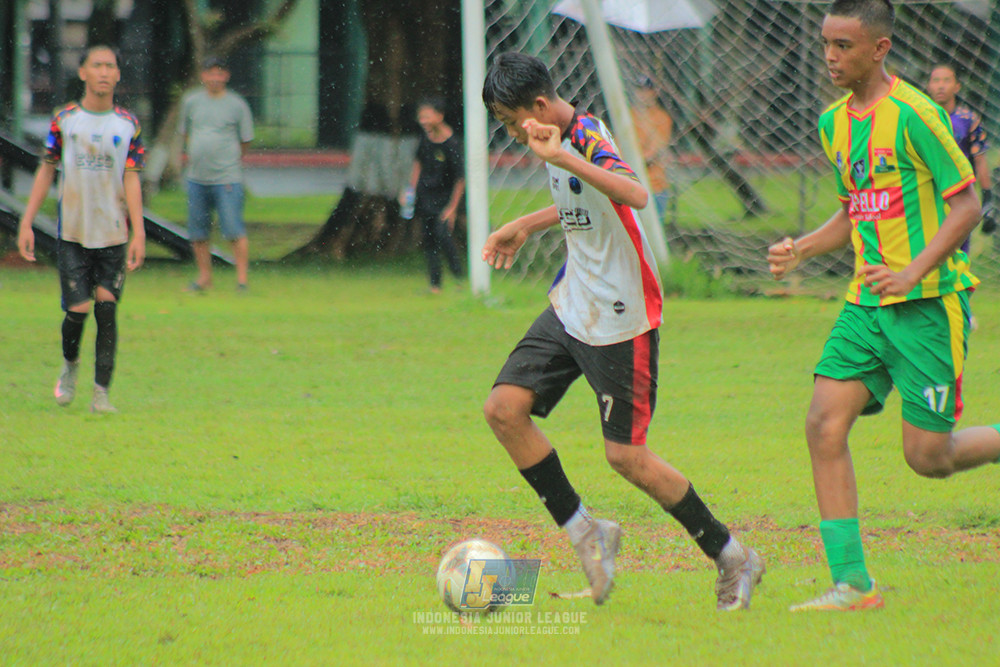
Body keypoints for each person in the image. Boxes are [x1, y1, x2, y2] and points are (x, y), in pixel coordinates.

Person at [481, 52, 764, 610]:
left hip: (620, 316)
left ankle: (732, 554)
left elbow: (632, 191)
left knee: (626, 457)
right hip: (572, 303)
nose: (513, 133)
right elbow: (580, 201)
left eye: (511, 121)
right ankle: (587, 532)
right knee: (502, 410)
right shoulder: (556, 138)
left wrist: (561, 154)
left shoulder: (583, 137)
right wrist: (524, 223)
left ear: (538, 106)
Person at [767, 0, 1000, 612]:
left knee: (930, 459)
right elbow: (855, 209)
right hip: (866, 304)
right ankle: (853, 584)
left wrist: (910, 272)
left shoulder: (918, 115)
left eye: (843, 46)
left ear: (880, 48)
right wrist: (805, 248)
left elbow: (967, 205)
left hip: (928, 304)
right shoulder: (833, 124)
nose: (830, 57)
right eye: (826, 44)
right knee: (823, 422)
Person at [17, 44, 146, 414]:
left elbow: (132, 179)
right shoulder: (65, 120)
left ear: (119, 74)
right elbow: (46, 169)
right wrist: (26, 220)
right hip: (73, 233)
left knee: (106, 308)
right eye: (97, 65)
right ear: (83, 72)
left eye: (111, 66)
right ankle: (70, 366)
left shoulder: (128, 125)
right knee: (77, 310)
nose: (104, 72)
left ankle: (101, 395)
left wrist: (138, 232)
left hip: (113, 235)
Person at [179, 56, 254, 292]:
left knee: (233, 229)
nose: (215, 78)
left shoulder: (237, 104)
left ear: (227, 76)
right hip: (196, 178)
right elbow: (186, 133)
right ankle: (204, 277)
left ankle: (242, 280)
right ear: (202, 75)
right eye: (210, 73)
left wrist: (229, 159)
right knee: (198, 232)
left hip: (227, 178)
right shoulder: (191, 102)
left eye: (220, 73)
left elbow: (246, 140)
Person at [926, 63, 996, 239]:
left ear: (957, 87)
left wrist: (987, 199)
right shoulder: (920, 118)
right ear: (928, 86)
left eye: (947, 80)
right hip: (927, 195)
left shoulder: (968, 120)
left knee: (958, 253)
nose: (941, 85)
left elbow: (980, 160)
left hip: (959, 196)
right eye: (936, 80)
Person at [402, 97, 465, 293]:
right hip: (425, 197)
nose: (424, 121)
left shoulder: (452, 144)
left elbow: (460, 179)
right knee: (429, 240)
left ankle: (459, 278)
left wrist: (453, 208)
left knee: (443, 236)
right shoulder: (424, 139)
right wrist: (410, 192)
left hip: (445, 200)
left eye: (427, 116)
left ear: (440, 116)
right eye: (421, 117)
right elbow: (418, 164)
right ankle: (435, 284)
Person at [630, 76, 673, 220]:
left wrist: (630, 162)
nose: (643, 94)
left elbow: (654, 152)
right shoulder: (628, 115)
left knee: (652, 236)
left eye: (647, 91)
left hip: (654, 187)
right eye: (640, 90)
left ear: (654, 93)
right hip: (630, 186)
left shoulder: (661, 118)